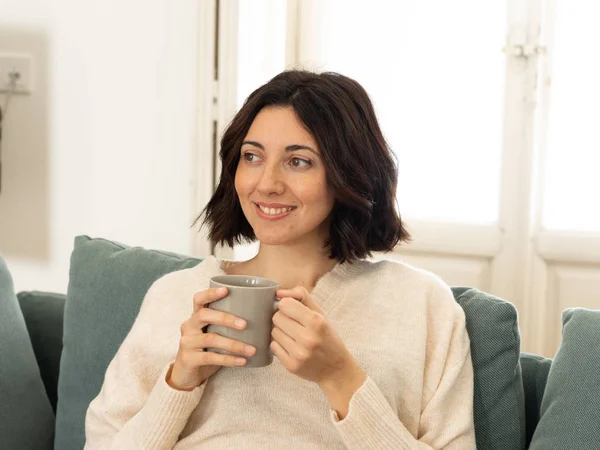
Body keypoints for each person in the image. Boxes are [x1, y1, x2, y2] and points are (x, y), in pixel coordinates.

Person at [84, 70, 476, 449]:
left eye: (298, 161)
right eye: (252, 157)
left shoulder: (421, 304)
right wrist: (180, 381)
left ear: (350, 175)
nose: (266, 183)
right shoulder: (176, 296)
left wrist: (341, 378)